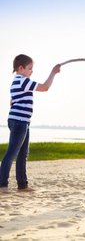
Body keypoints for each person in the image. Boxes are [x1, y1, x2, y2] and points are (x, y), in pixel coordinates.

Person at [0, 54, 61, 192]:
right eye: (29, 68)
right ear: (21, 68)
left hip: (22, 121)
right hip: (20, 121)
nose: (31, 72)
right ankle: (2, 184)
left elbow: (12, 101)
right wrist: (53, 73)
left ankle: (22, 185)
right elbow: (45, 87)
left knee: (23, 153)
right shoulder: (23, 81)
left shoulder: (16, 81)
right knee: (12, 152)